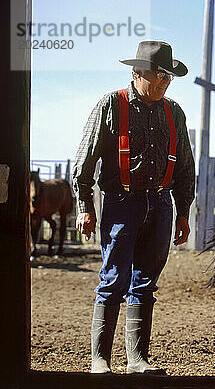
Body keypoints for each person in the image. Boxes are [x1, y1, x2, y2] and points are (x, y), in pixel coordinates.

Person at [72, 40, 195, 374]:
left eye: (169, 76)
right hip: (121, 204)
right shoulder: (111, 105)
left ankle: (138, 359)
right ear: (138, 72)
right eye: (160, 74)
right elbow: (83, 163)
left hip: (160, 205)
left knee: (145, 283)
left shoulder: (174, 112)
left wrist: (182, 211)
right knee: (114, 279)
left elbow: (185, 167)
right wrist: (85, 206)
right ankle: (100, 359)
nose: (165, 81)